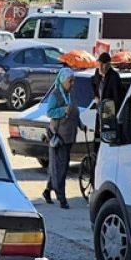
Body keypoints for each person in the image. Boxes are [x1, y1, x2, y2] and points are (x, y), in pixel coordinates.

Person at [42, 68, 79, 209]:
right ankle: (62, 198)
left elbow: (75, 111)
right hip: (59, 137)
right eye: (70, 81)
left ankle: (47, 191)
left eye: (73, 80)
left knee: (58, 167)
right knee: (61, 168)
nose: (72, 83)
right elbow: (50, 112)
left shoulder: (71, 93)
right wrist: (63, 110)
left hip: (69, 136)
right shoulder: (55, 95)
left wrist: (81, 124)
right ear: (63, 80)